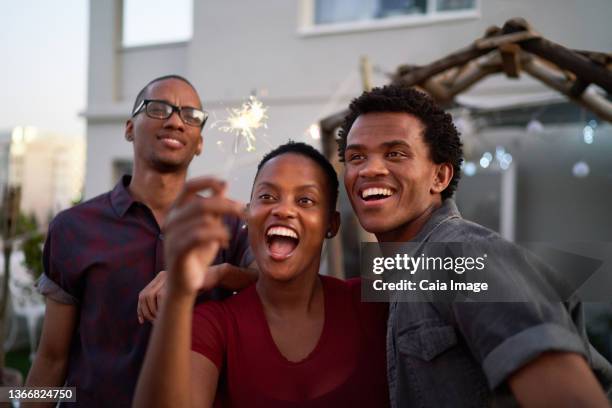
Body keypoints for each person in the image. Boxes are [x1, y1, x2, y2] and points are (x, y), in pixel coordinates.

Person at [337, 85, 611, 407]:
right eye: (357, 157)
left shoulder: (462, 253)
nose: (369, 169)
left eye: (395, 153)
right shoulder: (403, 272)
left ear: (440, 177)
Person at [26, 75, 255, 407]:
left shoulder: (224, 225)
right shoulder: (73, 227)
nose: (176, 121)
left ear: (200, 142)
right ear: (130, 128)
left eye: (190, 116)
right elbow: (51, 359)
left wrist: (215, 274)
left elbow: (274, 282)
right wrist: (15, 398)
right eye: (159, 109)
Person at [133, 142, 389, 407]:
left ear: (331, 224)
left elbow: (432, 267)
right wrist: (179, 295)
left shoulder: (369, 300)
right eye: (267, 197)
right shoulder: (213, 324)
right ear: (247, 214)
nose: (283, 210)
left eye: (305, 200)